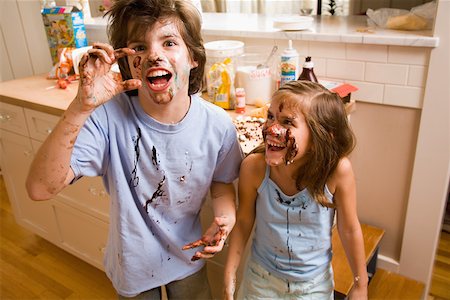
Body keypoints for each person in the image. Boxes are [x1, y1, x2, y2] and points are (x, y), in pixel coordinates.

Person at [26, 0, 243, 298]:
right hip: (133, 265)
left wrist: (225, 218)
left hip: (188, 256)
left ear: (193, 56)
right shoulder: (106, 116)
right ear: (126, 61)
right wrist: (81, 107)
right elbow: (40, 188)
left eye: (169, 42)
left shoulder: (218, 125)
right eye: (139, 47)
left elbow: (222, 183)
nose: (154, 55)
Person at [223, 80, 368, 300]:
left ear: (321, 134)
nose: (272, 128)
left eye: (287, 121)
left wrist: (361, 284)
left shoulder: (337, 171)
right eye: (270, 116)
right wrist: (230, 272)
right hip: (261, 281)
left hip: (314, 286)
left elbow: (349, 229)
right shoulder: (254, 168)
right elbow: (243, 222)